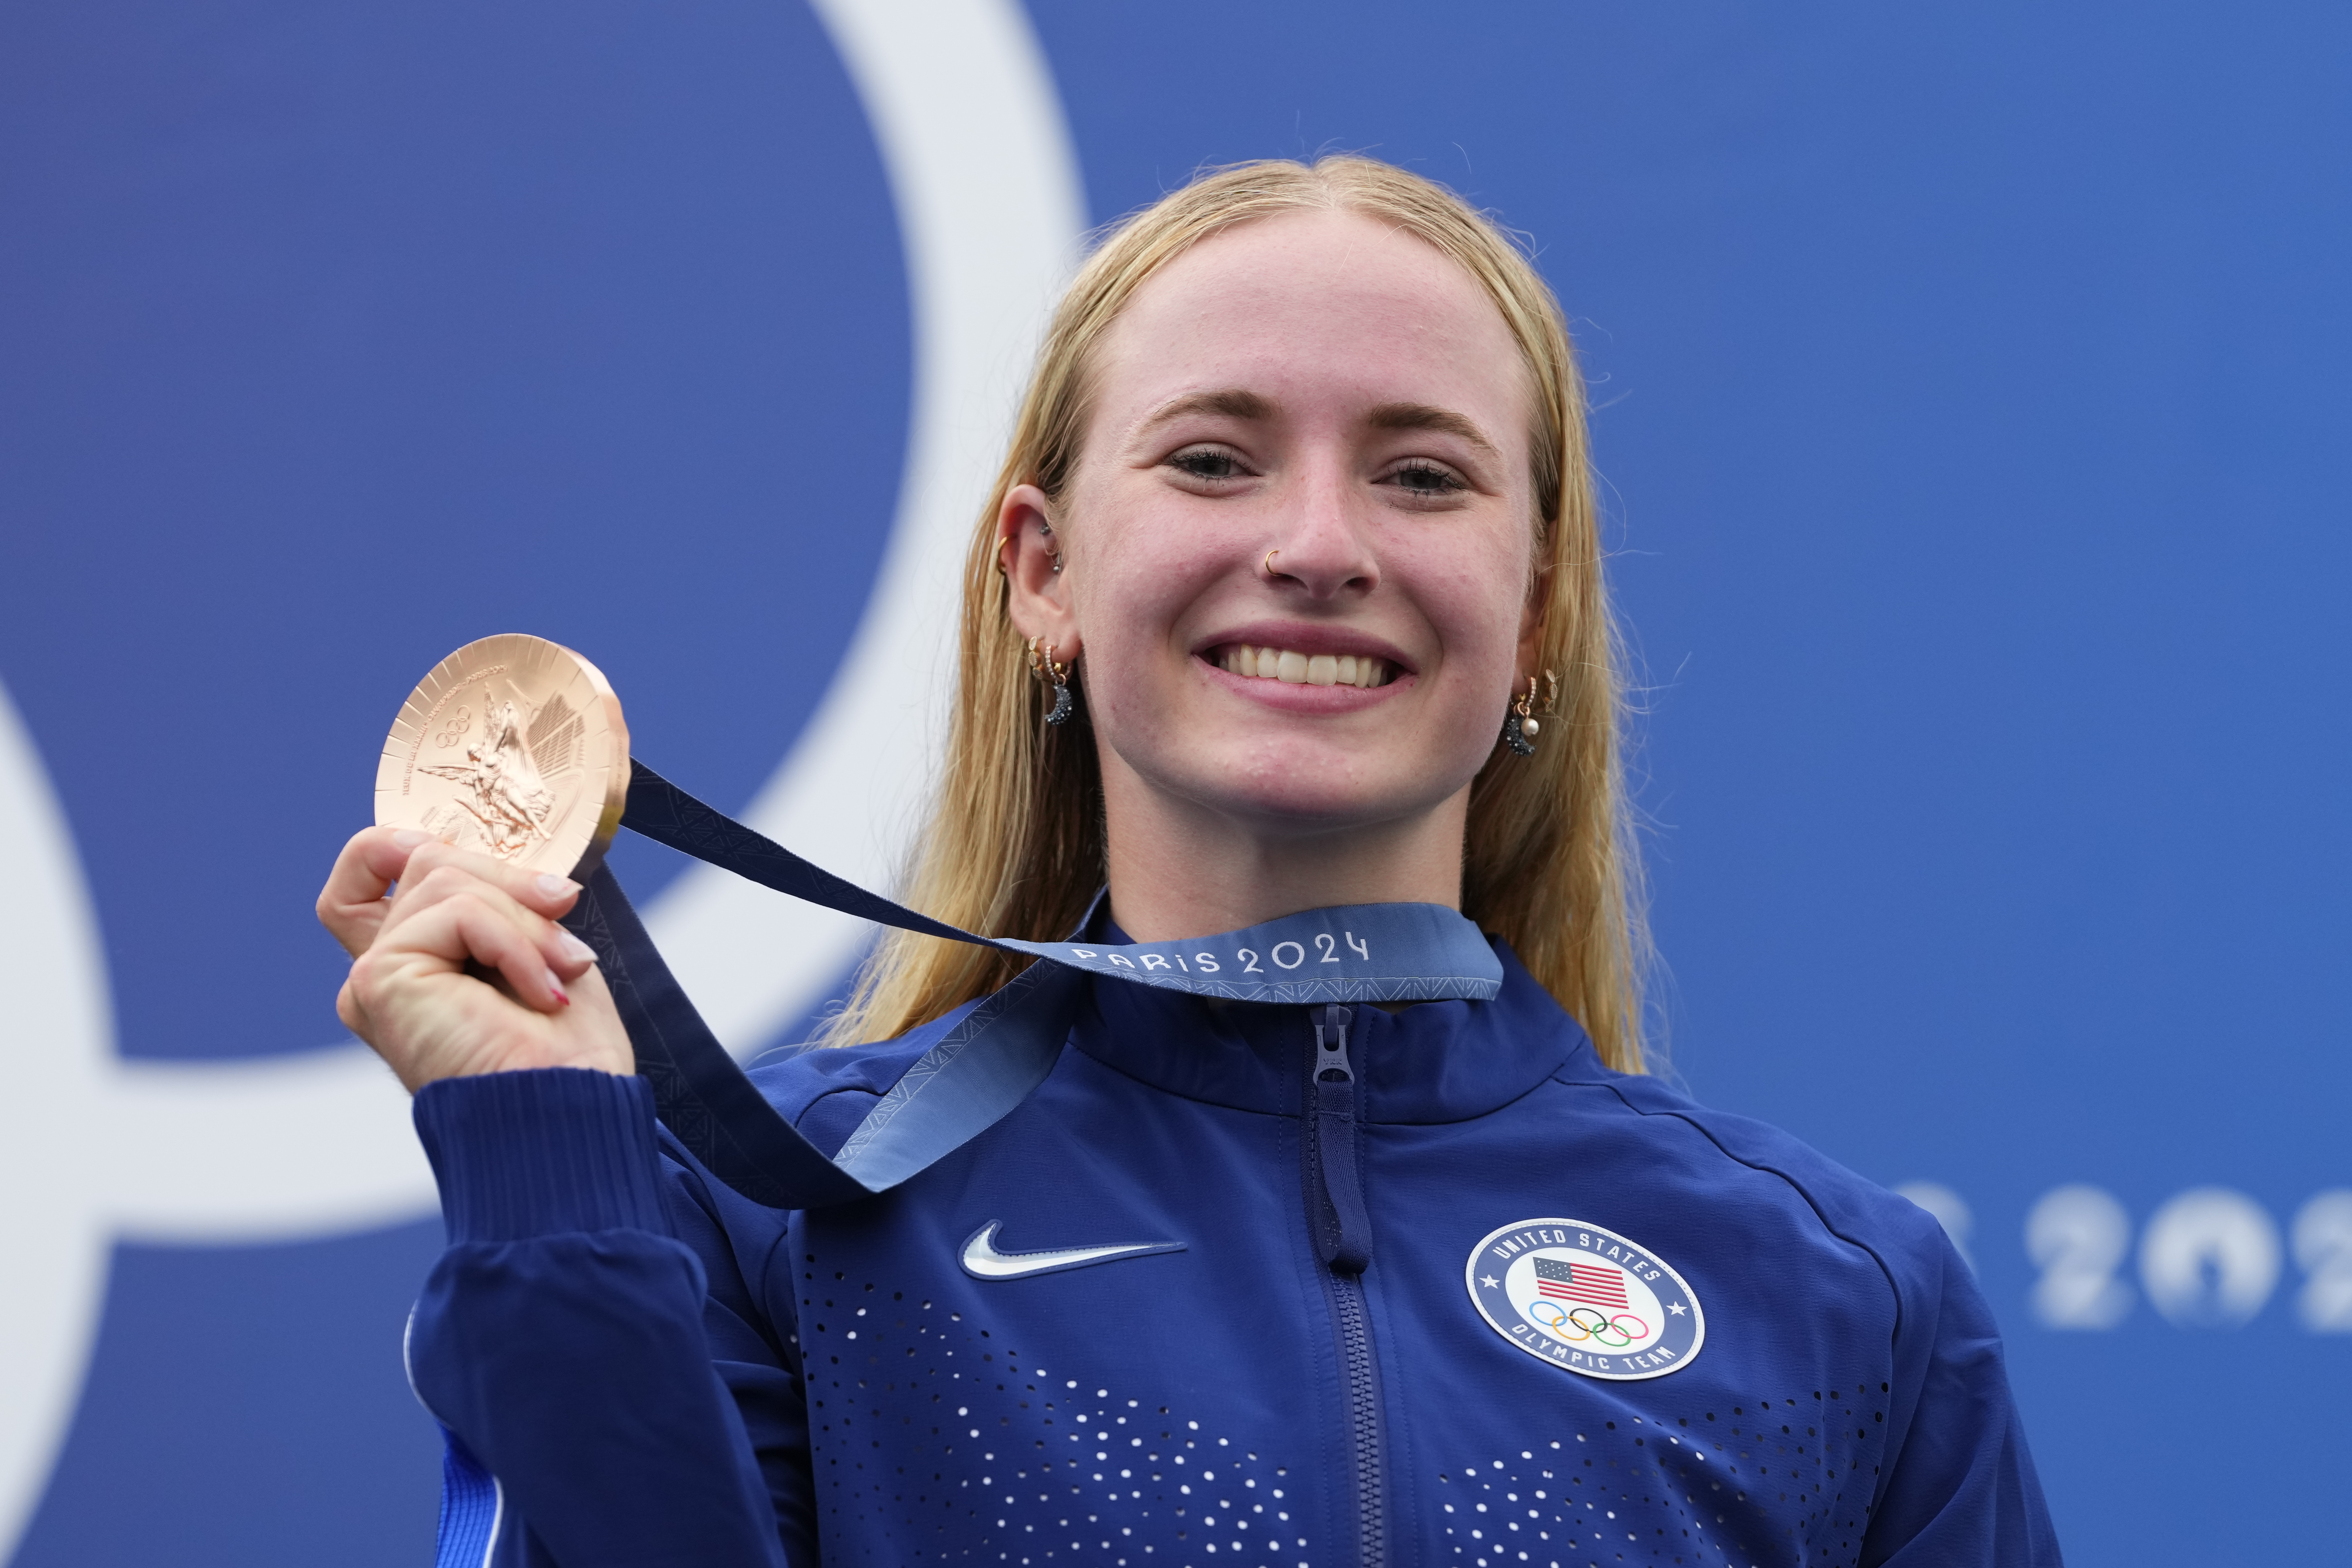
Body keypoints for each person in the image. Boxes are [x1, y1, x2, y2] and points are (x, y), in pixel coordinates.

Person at [319, 157, 2060, 1567]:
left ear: (1537, 610)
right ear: (1042, 576)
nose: (1315, 546)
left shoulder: (1838, 1302)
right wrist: (543, 1156)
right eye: (1214, 460)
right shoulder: (769, 1232)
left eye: (1422, 475)